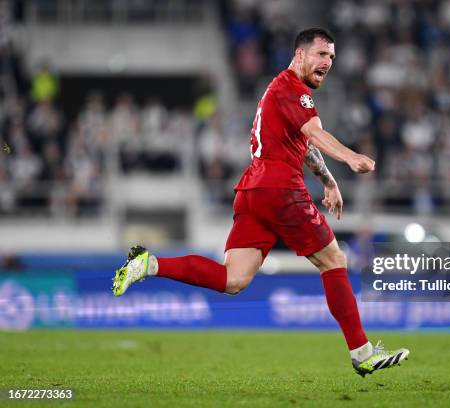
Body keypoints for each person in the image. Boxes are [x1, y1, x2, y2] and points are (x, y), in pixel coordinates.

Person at [112, 28, 409, 377]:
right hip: (280, 188)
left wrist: (328, 181)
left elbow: (305, 146)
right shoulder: (292, 90)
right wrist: (351, 157)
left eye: (331, 56)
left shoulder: (279, 91)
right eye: (320, 55)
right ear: (300, 55)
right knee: (334, 260)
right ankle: (362, 352)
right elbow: (314, 134)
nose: (327, 62)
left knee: (233, 279)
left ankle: (149, 265)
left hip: (253, 190)